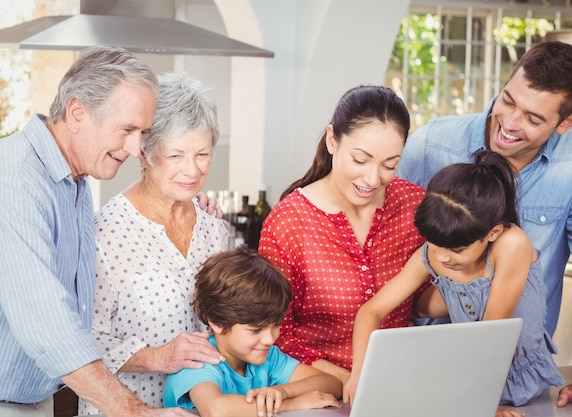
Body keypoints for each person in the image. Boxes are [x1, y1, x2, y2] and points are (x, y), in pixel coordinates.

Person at [397, 40, 572, 416]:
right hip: (419, 359)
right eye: (508, 101)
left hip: (512, 379)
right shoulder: (432, 144)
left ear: (566, 122)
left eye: (534, 119)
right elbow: (384, 248)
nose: (510, 124)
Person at [0, 46, 195, 417]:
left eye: (143, 132)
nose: (137, 148)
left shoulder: (72, 180)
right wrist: (138, 412)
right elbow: (46, 321)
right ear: (77, 113)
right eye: (126, 129)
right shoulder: (15, 180)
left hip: (33, 401)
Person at [345, 150, 565, 417]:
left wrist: (483, 404)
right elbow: (371, 311)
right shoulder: (433, 253)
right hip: (461, 373)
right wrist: (359, 374)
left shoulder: (511, 244)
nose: (442, 257)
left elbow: (492, 334)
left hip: (502, 371)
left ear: (493, 233)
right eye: (435, 245)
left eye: (457, 250)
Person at [77, 71, 228, 415]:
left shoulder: (214, 231)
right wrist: (158, 357)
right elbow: (80, 339)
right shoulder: (105, 233)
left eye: (202, 154)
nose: (191, 171)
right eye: (175, 156)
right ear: (144, 153)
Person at [257, 85, 427, 384]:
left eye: (390, 165)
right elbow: (276, 335)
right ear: (332, 140)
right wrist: (349, 381)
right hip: (315, 390)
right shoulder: (288, 223)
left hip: (400, 384)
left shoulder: (414, 206)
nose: (373, 179)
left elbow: (425, 299)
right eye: (360, 160)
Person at [163, 246, 342, 417]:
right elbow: (216, 410)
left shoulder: (268, 357)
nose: (270, 339)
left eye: (277, 325)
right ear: (217, 322)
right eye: (255, 330)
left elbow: (332, 383)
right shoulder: (198, 360)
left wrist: (281, 392)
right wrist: (290, 404)